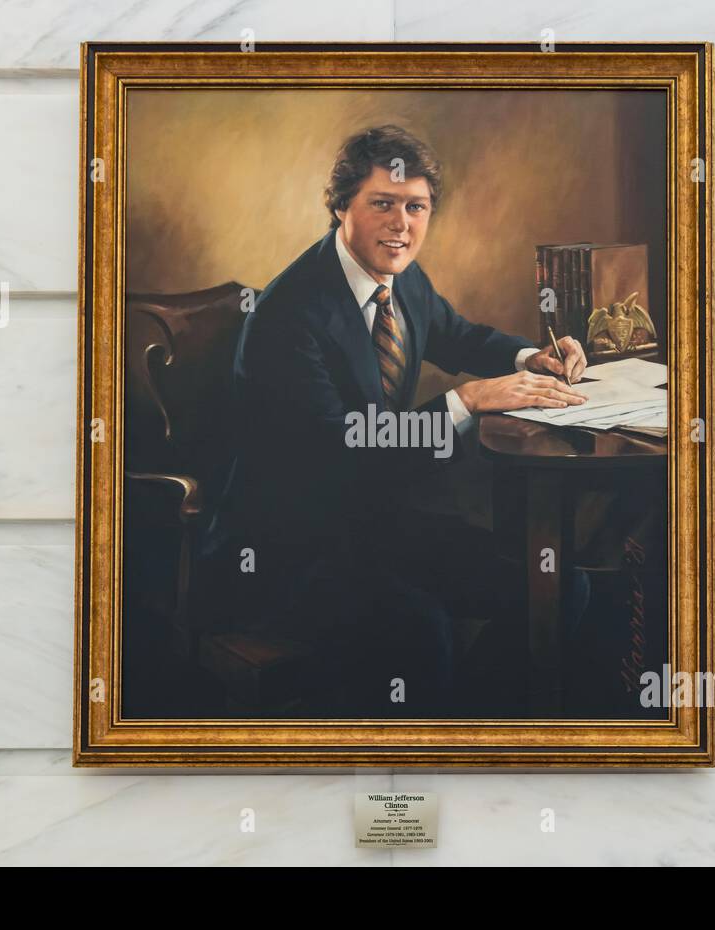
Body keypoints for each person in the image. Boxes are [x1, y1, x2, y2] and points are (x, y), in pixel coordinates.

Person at [200, 124, 590, 716]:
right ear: (339, 207)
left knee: (559, 585)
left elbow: (457, 334)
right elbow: (347, 449)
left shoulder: (402, 279)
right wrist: (467, 401)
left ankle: (472, 726)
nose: (401, 224)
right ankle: (437, 746)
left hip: (374, 526)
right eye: (382, 204)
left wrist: (525, 356)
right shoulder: (290, 316)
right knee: (418, 629)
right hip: (286, 549)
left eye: (416, 207)